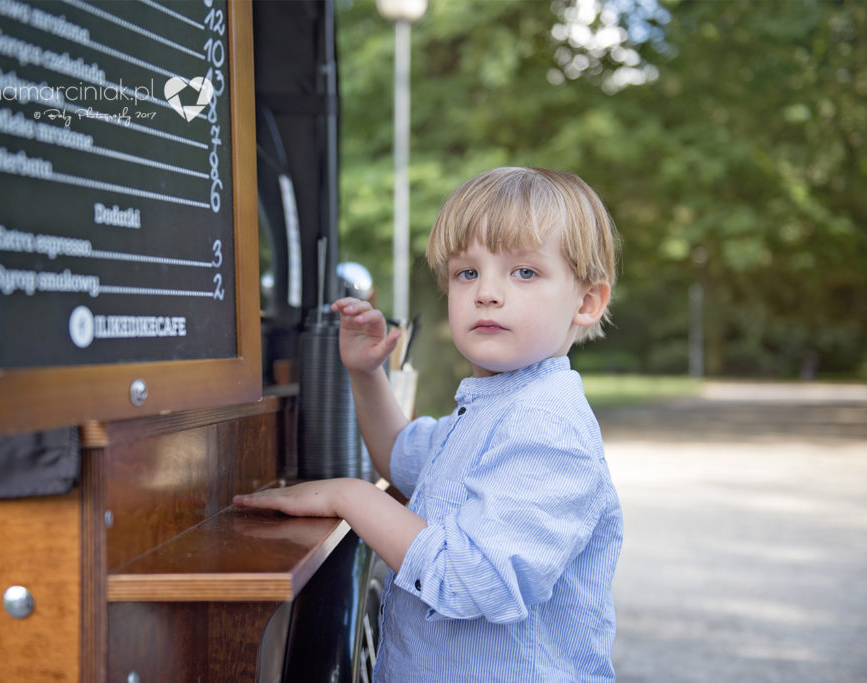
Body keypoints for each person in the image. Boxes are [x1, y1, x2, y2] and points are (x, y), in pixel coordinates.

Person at [234, 167, 623, 681]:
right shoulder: (493, 406)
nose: (487, 292)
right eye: (467, 273)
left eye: (523, 272)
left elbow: (473, 579)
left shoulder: (546, 426)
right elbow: (398, 454)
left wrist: (351, 496)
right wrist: (367, 373)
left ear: (587, 302)